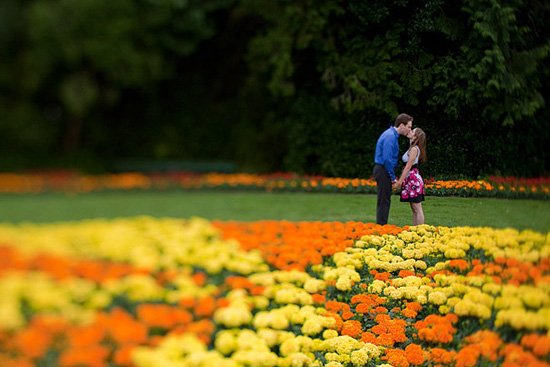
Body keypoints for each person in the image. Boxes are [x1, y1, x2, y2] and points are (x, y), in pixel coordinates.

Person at [373, 113, 413, 225]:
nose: (410, 130)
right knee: (384, 200)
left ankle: (381, 225)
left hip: (383, 169)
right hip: (383, 170)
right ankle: (381, 227)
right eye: (409, 127)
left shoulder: (391, 135)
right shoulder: (390, 136)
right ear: (401, 125)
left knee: (384, 199)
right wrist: (392, 177)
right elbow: (387, 159)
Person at [393, 127, 427, 225]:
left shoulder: (414, 150)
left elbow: (408, 167)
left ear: (415, 137)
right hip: (410, 179)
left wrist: (399, 182)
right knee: (414, 208)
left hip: (413, 181)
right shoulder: (412, 148)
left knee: (417, 207)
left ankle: (420, 230)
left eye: (412, 131)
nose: (410, 131)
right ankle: (414, 229)